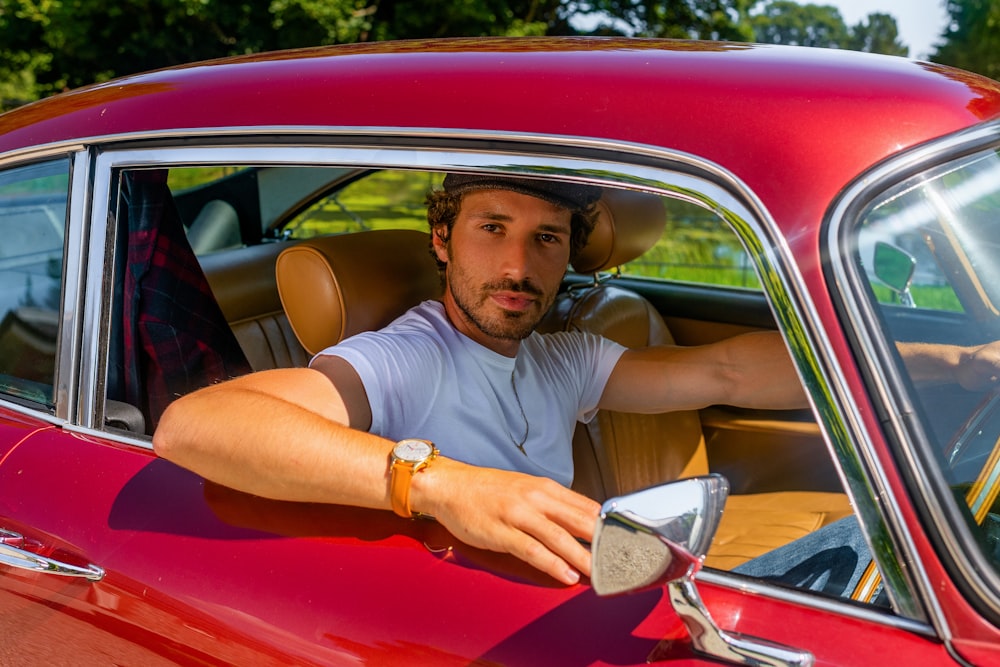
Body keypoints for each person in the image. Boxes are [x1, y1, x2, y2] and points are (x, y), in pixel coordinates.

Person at [152, 173, 1000, 590]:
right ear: (442, 241)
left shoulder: (564, 356)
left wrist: (955, 364)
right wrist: (439, 482)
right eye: (493, 230)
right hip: (480, 620)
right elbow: (195, 426)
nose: (520, 265)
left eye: (548, 239)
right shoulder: (405, 354)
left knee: (881, 547)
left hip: (584, 587)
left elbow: (728, 368)